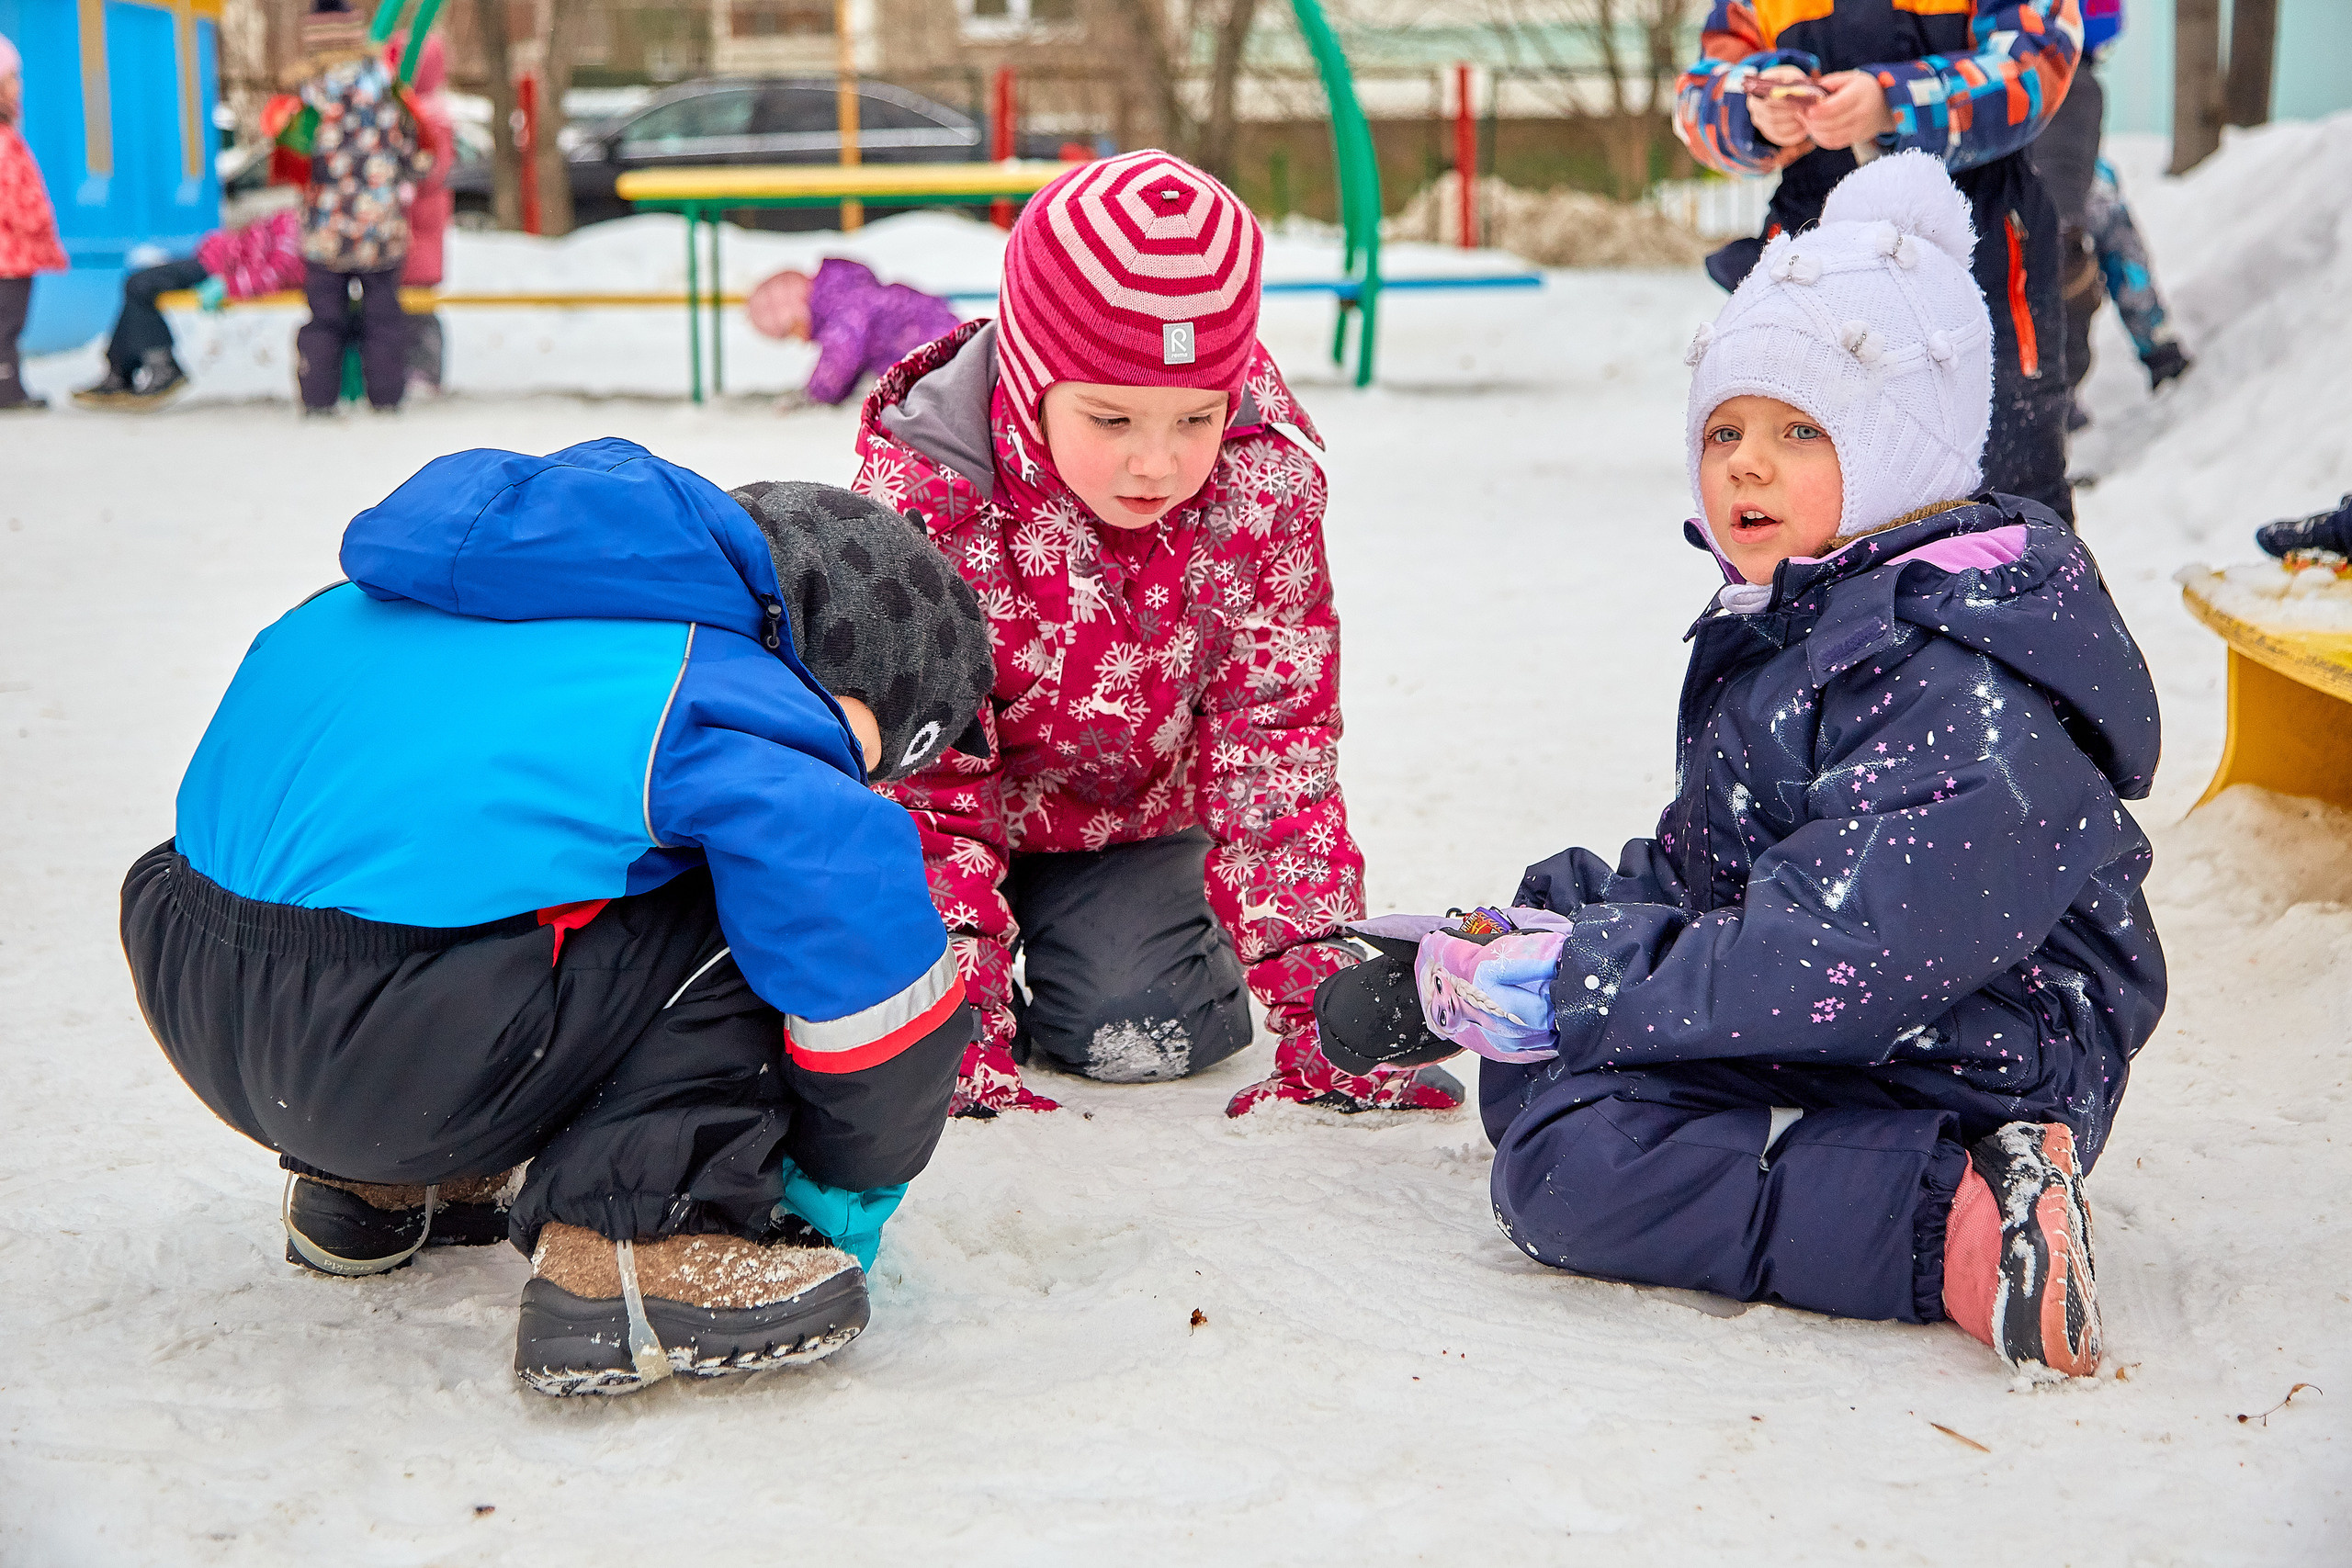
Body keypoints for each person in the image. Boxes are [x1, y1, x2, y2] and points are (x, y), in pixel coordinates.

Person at [1323, 156, 2165, 1380]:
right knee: (1558, 1074)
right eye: (1724, 430)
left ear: (1904, 449)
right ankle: (1870, 1167)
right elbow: (1711, 866)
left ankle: (1961, 1219)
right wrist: (1516, 937)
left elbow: (1842, 950)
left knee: (1574, 1165)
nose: (1745, 466)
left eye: (1800, 431)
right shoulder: (1808, 619)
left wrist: (1570, 982)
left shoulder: (1957, 674)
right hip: (1893, 997)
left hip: (1991, 1038)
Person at [120, 441, 997, 1396]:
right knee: (769, 897)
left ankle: (376, 1187)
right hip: (384, 1041)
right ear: (828, 662)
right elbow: (866, 968)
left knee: (572, 855)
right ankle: (638, 1245)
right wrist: (839, 1189)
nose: (860, 778)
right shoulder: (713, 685)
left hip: (196, 985)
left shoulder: (410, 605)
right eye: (876, 750)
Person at [853, 149, 1464, 1118]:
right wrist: (956, 1019)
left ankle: (1152, 928)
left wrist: (1328, 1015)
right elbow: (923, 788)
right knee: (898, 1038)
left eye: (1196, 418)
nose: (1157, 463)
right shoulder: (935, 505)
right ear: (1030, 378)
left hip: (1120, 826)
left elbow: (1276, 750)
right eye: (1111, 419)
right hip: (937, 831)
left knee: (1134, 1029)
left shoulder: (1258, 490)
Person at [1672, 0, 2083, 525]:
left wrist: (1894, 102)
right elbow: (1698, 93)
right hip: (1817, 249)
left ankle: (2024, 576)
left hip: (1984, 245)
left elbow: (2035, 63)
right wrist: (1754, 103)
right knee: (1812, 482)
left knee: (2009, 478)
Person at [2025, 0, 2189, 430]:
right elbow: (2121, 247)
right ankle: (2151, 347)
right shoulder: (2081, 94)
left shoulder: (2003, 80)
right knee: (2105, 229)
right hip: (2051, 301)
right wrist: (2160, 350)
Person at [279, 3, 435, 414]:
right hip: (379, 229)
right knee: (384, 318)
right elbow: (418, 155)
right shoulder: (386, 90)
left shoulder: (305, 100)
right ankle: (386, 399)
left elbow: (290, 162)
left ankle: (318, 400)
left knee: (324, 320)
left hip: (325, 232)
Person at [71, 209, 306, 410]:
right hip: (211, 262)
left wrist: (228, 286)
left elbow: (278, 272)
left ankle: (155, 368)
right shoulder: (281, 217)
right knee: (138, 287)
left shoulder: (295, 225)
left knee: (139, 285)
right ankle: (122, 371)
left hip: (215, 271)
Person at [747, 256, 960, 408]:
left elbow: (841, 358)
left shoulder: (841, 306)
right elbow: (854, 365)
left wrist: (816, 394)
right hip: (938, 343)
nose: (801, 341)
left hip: (939, 352)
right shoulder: (842, 292)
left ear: (799, 311)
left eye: (791, 332)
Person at [0, 31, 68, 413]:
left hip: (11, 253)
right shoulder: (4, 142)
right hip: (9, 256)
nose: (19, 86)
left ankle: (9, 386)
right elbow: (14, 197)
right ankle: (6, 390)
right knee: (7, 324)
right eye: (12, 78)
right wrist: (40, 224)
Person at [387, 30, 451, 396]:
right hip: (414, 228)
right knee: (405, 306)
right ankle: (411, 369)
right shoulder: (419, 115)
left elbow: (429, 171)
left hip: (418, 228)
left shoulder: (427, 118)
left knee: (418, 308)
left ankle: (425, 372)